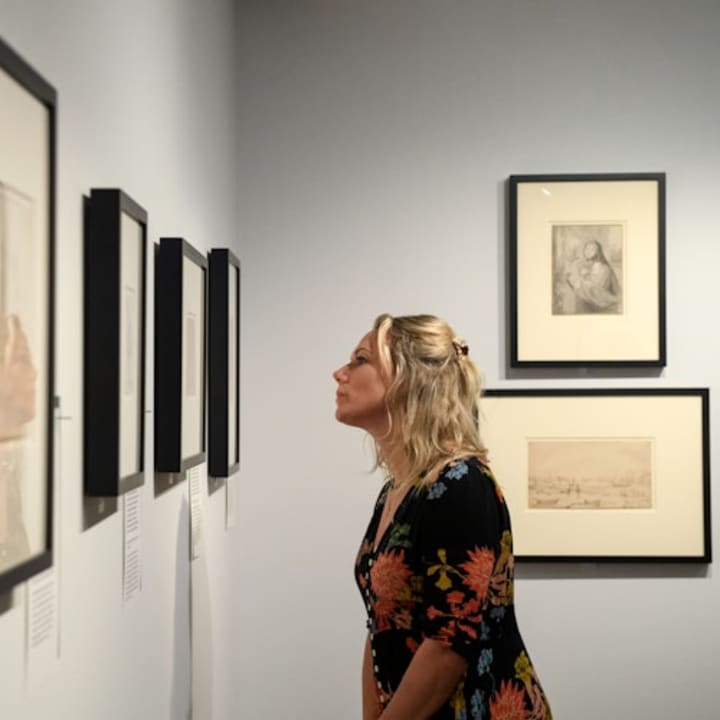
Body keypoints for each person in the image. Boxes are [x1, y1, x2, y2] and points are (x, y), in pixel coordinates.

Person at [333, 314, 552, 720]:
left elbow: (448, 646)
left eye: (360, 360)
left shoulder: (461, 484)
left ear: (408, 378)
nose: (339, 373)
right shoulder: (397, 489)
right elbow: (380, 622)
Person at [565, 239, 621, 314]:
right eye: (587, 248)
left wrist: (581, 280)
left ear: (597, 252)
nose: (588, 251)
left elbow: (597, 288)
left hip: (599, 306)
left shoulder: (603, 268)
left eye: (592, 249)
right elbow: (571, 279)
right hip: (583, 303)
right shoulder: (580, 264)